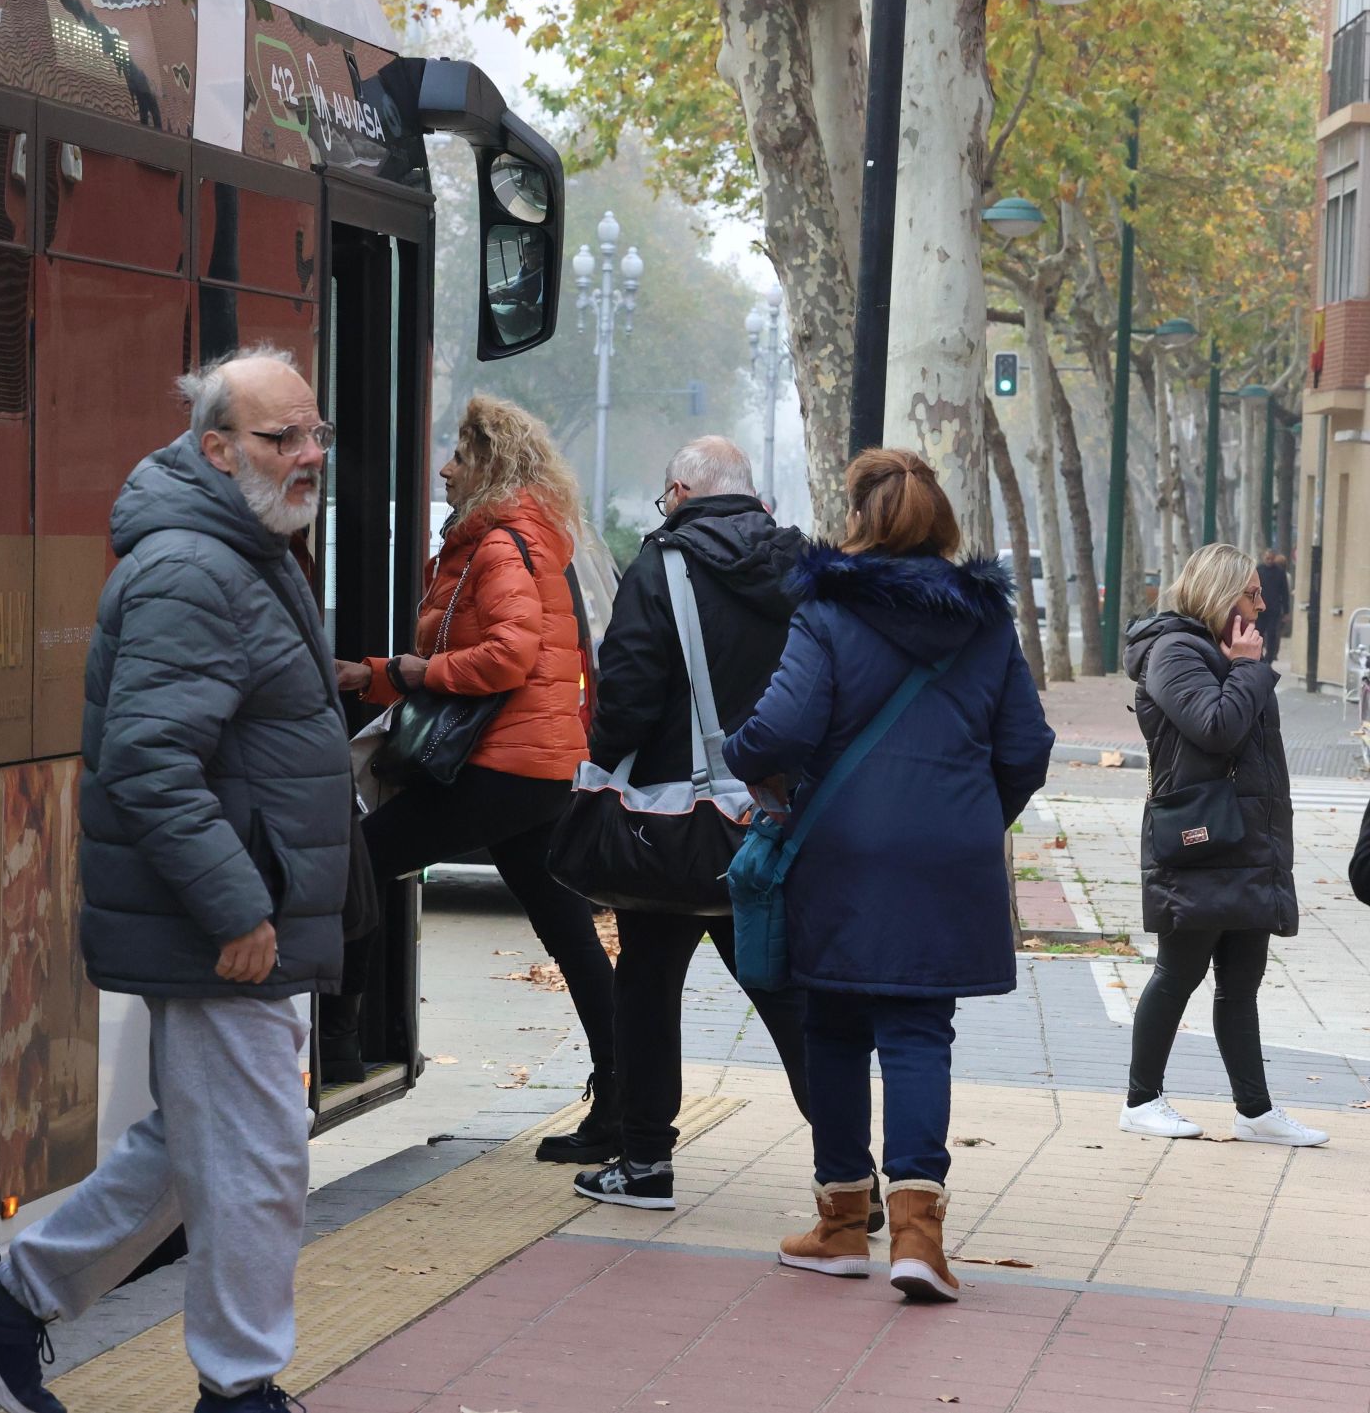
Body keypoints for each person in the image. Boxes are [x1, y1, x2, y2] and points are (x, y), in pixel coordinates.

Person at [0, 346, 348, 1413]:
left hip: (232, 914)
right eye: (278, 438)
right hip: (220, 926)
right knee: (256, 1159)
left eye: (314, 434)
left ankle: (9, 1303)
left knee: (194, 1144)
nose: (307, 456)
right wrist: (238, 902)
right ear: (215, 450)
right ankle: (239, 1386)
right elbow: (151, 761)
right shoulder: (194, 567)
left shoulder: (242, 548)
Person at [725, 449, 1053, 1304]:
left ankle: (840, 1226)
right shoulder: (986, 622)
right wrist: (972, 815)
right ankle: (918, 1238)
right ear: (942, 523)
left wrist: (742, 756)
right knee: (918, 1032)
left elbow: (782, 726)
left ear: (859, 525)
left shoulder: (827, 611)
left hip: (843, 849)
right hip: (950, 856)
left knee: (831, 1024)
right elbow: (1027, 747)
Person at [331, 394, 617, 1164]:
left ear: (490, 463)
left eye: (460, 454)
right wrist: (377, 676)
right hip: (537, 767)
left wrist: (410, 668)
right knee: (568, 933)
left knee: (354, 861)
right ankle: (627, 1103)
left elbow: (507, 658)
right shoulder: (522, 536)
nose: (447, 468)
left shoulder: (499, 545)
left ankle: (339, 1043)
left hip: (500, 767)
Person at [569, 437, 821, 1213]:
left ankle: (645, 1162)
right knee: (782, 990)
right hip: (774, 821)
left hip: (672, 830)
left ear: (679, 490)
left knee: (645, 983)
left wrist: (607, 762)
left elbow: (628, 697)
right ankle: (850, 1169)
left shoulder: (663, 565)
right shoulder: (806, 569)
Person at [1118, 544, 1323, 1147]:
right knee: (1178, 972)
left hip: (1245, 841)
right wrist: (1247, 669)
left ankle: (1254, 1111)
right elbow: (1215, 726)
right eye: (1251, 594)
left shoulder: (1224, 654)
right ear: (1219, 594)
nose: (1263, 606)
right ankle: (1141, 1099)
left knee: (1241, 981)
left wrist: (1243, 667)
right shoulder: (1175, 652)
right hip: (1200, 842)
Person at [1256, 550, 1291, 665]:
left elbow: (1284, 592)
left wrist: (1286, 611)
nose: (1269, 561)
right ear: (1263, 558)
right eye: (1267, 559)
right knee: (1258, 633)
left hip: (1273, 608)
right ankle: (1258, 654)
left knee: (1272, 634)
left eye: (1271, 559)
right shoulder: (1258, 570)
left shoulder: (1280, 572)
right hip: (1260, 609)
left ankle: (1269, 657)